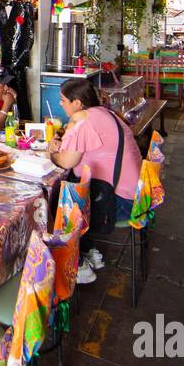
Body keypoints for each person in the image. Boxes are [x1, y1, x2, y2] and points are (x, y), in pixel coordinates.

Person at [48, 76, 143, 285]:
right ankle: (89, 251)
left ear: (77, 103)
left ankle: (78, 264)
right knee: (75, 187)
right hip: (134, 195)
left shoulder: (82, 119)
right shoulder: (104, 113)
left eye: (63, 100)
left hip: (118, 203)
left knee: (58, 201)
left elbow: (66, 161)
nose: (60, 104)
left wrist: (50, 153)